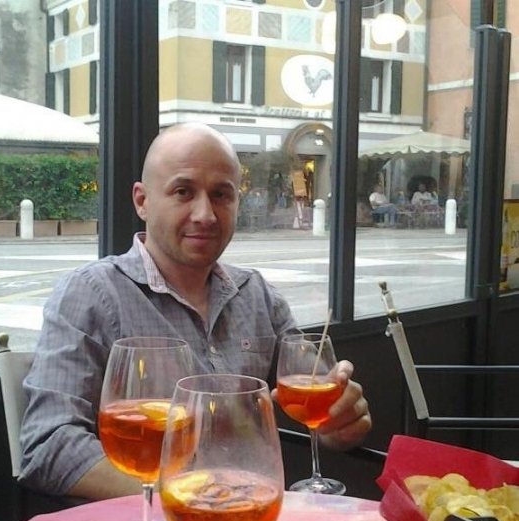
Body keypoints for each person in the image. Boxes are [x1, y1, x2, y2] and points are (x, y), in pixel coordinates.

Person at [19, 123, 372, 501]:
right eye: (183, 192)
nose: (205, 214)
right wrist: (185, 498)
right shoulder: (91, 295)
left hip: (252, 515)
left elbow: (317, 391)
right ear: (142, 201)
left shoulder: (258, 295)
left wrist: (339, 420)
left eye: (221, 194)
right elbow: (49, 444)